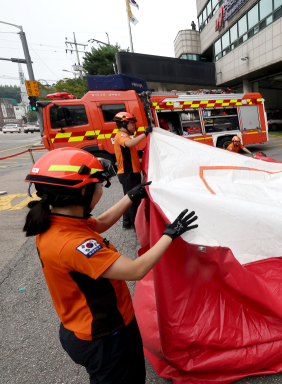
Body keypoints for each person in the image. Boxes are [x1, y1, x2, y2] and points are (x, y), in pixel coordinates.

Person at [23, 147, 198, 384]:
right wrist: (170, 233)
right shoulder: (72, 244)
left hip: (86, 328)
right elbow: (136, 270)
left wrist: (131, 196)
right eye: (100, 185)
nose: (101, 189)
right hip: (105, 337)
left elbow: (102, 222)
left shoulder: (59, 220)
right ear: (84, 191)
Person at [113, 112, 152, 229]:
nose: (134, 126)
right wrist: (145, 134)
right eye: (132, 124)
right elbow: (129, 144)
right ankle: (137, 226)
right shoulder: (121, 135)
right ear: (124, 123)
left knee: (128, 197)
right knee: (134, 199)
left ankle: (128, 222)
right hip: (128, 173)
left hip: (129, 173)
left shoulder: (124, 135)